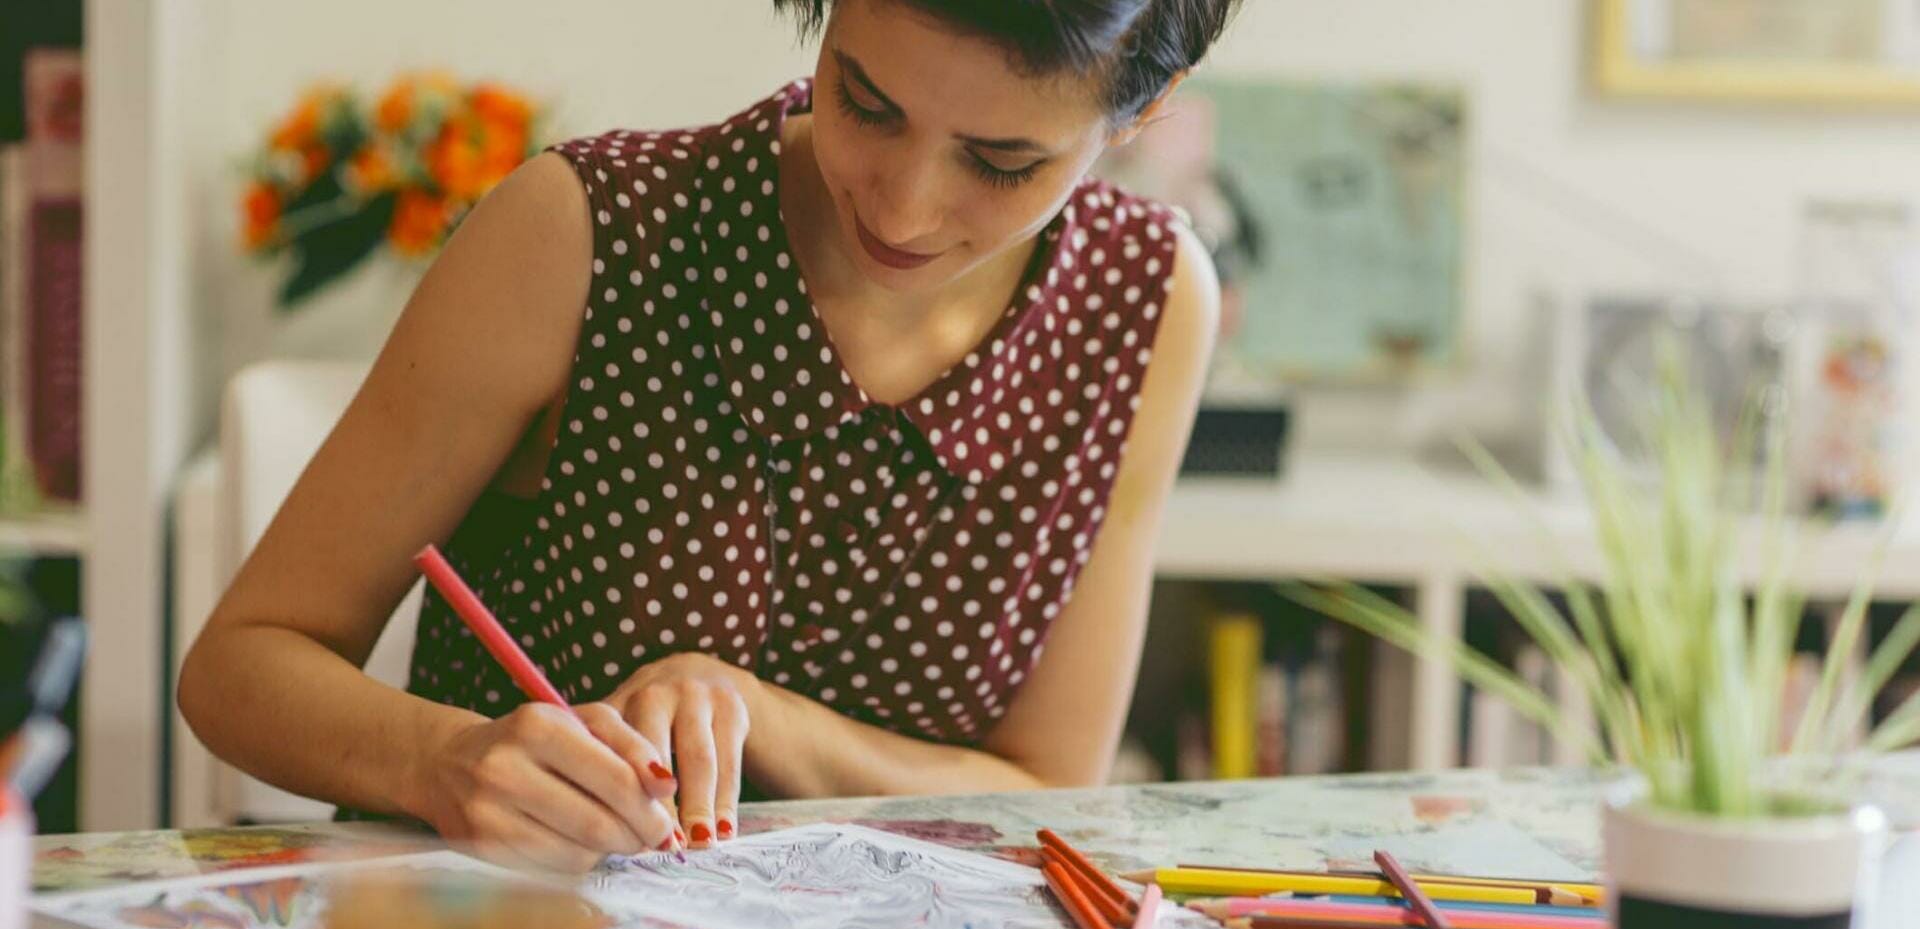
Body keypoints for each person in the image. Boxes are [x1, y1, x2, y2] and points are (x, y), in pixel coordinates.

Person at [181, 0, 1240, 873]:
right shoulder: (590, 233)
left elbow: (1049, 786)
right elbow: (239, 668)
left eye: (1002, 163)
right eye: (865, 103)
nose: (906, 209)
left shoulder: (1145, 301)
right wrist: (441, 759)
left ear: (1145, 111)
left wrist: (756, 713)